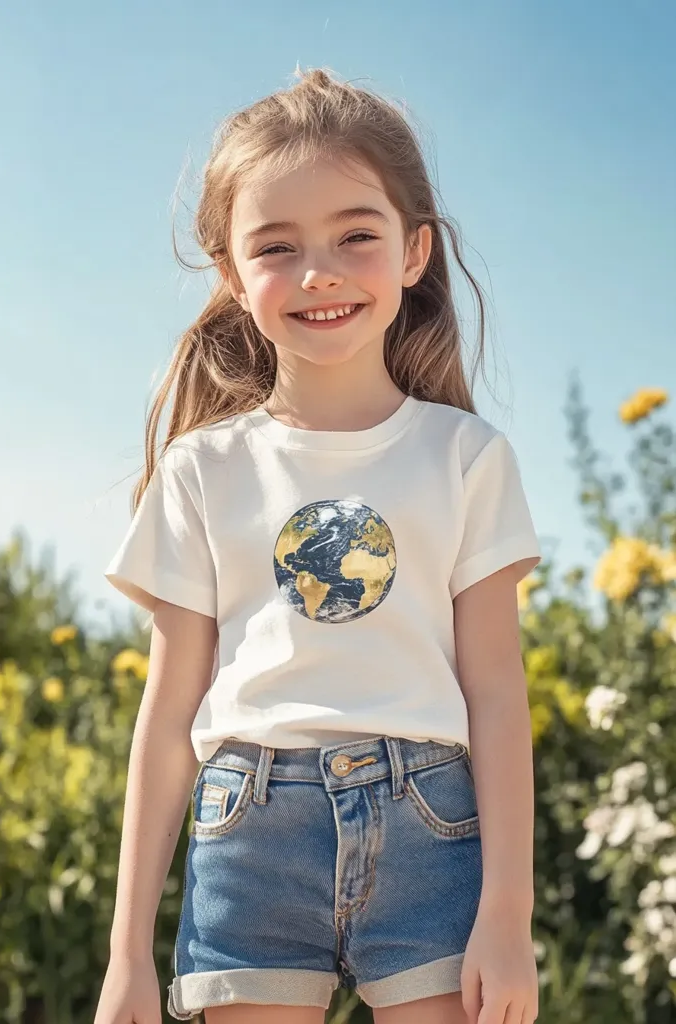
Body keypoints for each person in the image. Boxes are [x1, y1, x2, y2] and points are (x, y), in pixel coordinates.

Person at [95, 68, 541, 1024]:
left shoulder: (466, 458)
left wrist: (509, 910)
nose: (319, 271)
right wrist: (128, 947)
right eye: (277, 246)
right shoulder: (201, 470)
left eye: (355, 236)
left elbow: (498, 695)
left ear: (414, 251)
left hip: (434, 826)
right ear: (231, 273)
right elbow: (168, 713)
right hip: (248, 836)